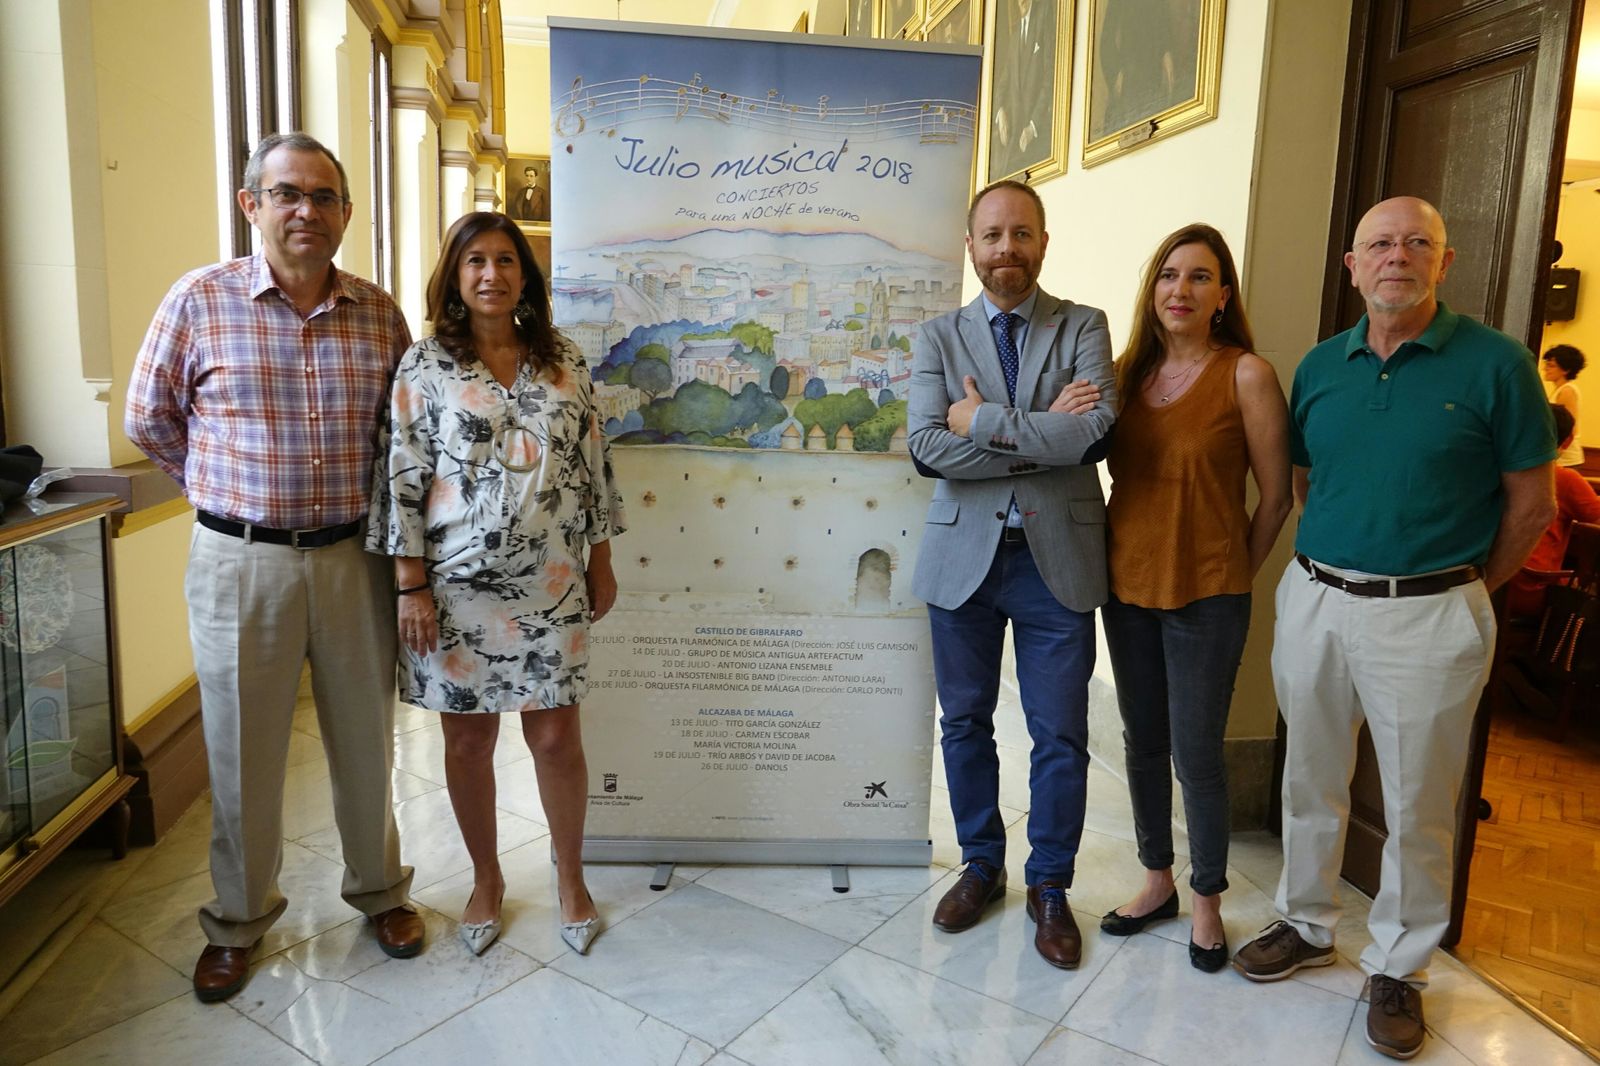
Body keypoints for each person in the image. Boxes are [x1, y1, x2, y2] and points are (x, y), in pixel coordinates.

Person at [1233, 196, 1555, 1059]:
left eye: (1418, 243)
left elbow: (1532, 505)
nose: (1396, 257)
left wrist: (1457, 589)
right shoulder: (1320, 367)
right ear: (1352, 265)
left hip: (1433, 611)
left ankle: (1400, 968)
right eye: (1379, 244)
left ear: (1444, 264)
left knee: (1417, 801)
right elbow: (1307, 482)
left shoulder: (1497, 366)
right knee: (1310, 776)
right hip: (1318, 598)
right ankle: (1305, 923)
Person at [126, 132, 422, 1003]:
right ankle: (240, 921)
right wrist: (221, 496)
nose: (307, 211)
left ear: (345, 215)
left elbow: (399, 438)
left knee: (366, 739)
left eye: (324, 196)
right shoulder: (200, 300)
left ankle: (379, 894)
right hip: (239, 562)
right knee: (242, 748)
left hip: (349, 559)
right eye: (287, 194)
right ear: (252, 204)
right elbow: (151, 419)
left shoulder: (378, 312)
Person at [369, 211, 624, 958]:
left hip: (553, 580)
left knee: (554, 736)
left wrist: (602, 560)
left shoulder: (565, 361)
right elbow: (401, 479)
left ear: (525, 275)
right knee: (469, 739)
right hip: (454, 590)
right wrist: (409, 586)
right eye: (474, 260)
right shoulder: (423, 367)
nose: (491, 274)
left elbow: (595, 468)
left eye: (506, 260)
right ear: (454, 274)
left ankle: (571, 879)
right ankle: (486, 879)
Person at [908, 179, 1116, 969]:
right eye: (992, 235)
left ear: (1043, 241)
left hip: (1055, 562)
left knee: (1059, 733)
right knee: (964, 723)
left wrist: (982, 424)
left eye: (1021, 234)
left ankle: (1051, 886)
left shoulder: (1084, 326)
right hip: (962, 560)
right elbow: (928, 448)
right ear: (971, 246)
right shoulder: (937, 336)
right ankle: (983, 865)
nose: (1007, 250)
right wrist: (1041, 433)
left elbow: (1092, 435)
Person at [1097, 224, 1291, 972]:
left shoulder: (1245, 374)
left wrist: (1230, 571)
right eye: (1169, 275)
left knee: (1197, 754)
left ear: (1223, 295)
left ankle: (1206, 898)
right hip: (1126, 585)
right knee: (1141, 743)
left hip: (1209, 595)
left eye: (1199, 277)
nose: (1180, 290)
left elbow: (1275, 498)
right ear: (1153, 290)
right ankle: (1157, 882)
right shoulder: (1122, 376)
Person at [1506, 404, 1600, 617]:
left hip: (1491, 586)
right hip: (1532, 590)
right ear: (1566, 442)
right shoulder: (1563, 479)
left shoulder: (1498, 471)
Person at [1541, 344, 1586, 467]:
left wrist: (1555, 455)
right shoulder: (1559, 390)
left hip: (1566, 460)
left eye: (1551, 366)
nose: (1546, 369)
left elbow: (1569, 428)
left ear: (1566, 370)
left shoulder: (1567, 391)